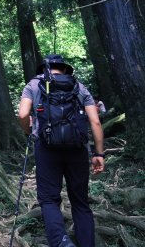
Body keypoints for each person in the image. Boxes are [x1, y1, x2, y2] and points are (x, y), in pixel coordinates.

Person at [18, 54, 105, 247]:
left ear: (44, 69)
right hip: (77, 149)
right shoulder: (79, 86)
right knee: (80, 202)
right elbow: (95, 122)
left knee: (49, 199)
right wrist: (98, 154)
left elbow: (23, 114)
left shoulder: (33, 85)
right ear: (64, 69)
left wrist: (29, 130)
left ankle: (61, 242)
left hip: (46, 147)